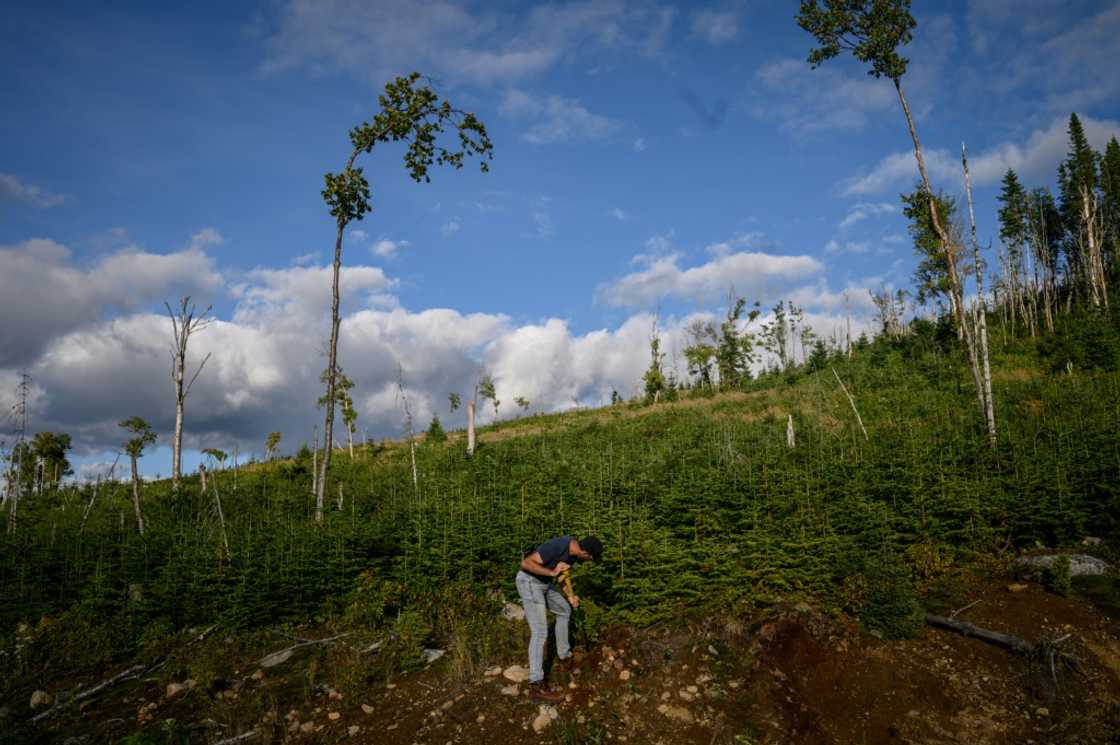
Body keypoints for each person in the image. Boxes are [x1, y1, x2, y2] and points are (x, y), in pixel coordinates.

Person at [516, 535, 603, 702]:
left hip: (544, 584)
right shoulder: (558, 546)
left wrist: (570, 596)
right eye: (590, 558)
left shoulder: (573, 557)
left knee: (564, 610)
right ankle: (536, 685)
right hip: (528, 581)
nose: (589, 561)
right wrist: (551, 572)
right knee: (540, 631)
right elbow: (526, 563)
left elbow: (562, 577)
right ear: (585, 552)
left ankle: (563, 656)